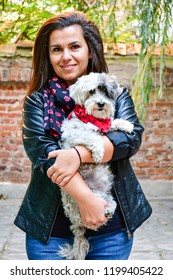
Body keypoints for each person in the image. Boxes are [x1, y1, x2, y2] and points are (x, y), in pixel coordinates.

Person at [14, 10, 152, 260]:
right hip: (50, 233)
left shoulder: (116, 94)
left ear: (90, 50)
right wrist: (87, 200)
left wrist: (78, 154)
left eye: (75, 46)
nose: (66, 56)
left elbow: (130, 139)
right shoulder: (37, 102)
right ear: (48, 55)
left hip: (111, 231)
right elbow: (44, 155)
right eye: (56, 49)